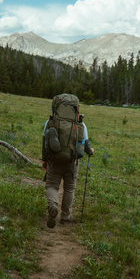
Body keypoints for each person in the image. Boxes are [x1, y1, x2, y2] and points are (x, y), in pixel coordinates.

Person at [42, 95, 94, 228]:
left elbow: (45, 143)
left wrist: (45, 160)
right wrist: (91, 151)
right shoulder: (81, 125)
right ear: (76, 109)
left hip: (54, 160)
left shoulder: (50, 122)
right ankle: (66, 216)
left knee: (52, 185)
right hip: (72, 162)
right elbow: (87, 147)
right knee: (69, 188)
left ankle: (53, 206)